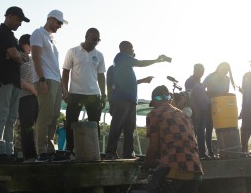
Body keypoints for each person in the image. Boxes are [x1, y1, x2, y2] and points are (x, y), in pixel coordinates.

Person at [140, 85, 203, 193]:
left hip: (173, 165)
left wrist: (144, 168)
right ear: (170, 99)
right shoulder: (184, 115)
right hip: (195, 167)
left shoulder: (154, 114)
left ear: (153, 101)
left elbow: (153, 147)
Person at [104, 41, 171, 159]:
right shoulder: (122, 56)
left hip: (129, 100)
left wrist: (143, 80)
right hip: (121, 100)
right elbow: (140, 63)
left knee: (129, 128)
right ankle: (110, 153)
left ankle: (128, 153)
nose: (133, 52)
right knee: (117, 127)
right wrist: (156, 60)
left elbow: (123, 84)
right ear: (125, 48)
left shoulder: (121, 66)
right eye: (132, 49)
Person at [0, 6, 29, 163]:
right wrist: (16, 56)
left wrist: (16, 55)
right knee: (2, 113)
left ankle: (8, 150)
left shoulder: (12, 37)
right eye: (19, 20)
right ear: (10, 16)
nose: (20, 24)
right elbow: (16, 56)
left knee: (11, 117)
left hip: (15, 81)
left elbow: (24, 57)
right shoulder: (0, 32)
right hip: (3, 79)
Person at [61, 28, 106, 157]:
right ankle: (70, 151)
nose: (95, 42)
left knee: (94, 123)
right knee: (71, 122)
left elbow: (101, 76)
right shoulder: (73, 51)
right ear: (86, 36)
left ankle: (94, 151)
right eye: (93, 39)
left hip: (93, 94)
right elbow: (65, 72)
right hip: (75, 93)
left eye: (98, 40)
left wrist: (103, 94)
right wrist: (65, 90)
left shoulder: (100, 55)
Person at [31, 10, 68, 162]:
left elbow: (55, 64)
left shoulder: (53, 38)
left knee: (53, 117)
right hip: (45, 80)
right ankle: (41, 151)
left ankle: (50, 149)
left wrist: (63, 86)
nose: (60, 26)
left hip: (56, 81)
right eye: (58, 22)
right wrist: (41, 79)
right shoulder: (38, 33)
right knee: (44, 116)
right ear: (51, 19)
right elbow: (35, 56)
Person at [203, 62, 236, 157]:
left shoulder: (227, 79)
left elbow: (226, 92)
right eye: (222, 69)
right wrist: (210, 95)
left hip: (222, 107)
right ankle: (210, 151)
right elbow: (201, 89)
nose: (224, 71)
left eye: (226, 70)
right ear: (218, 68)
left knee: (221, 127)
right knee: (208, 128)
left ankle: (224, 150)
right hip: (209, 105)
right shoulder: (210, 76)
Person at [17, 34, 38, 162]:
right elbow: (15, 77)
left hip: (34, 96)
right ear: (24, 43)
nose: (32, 48)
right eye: (30, 45)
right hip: (23, 96)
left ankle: (34, 154)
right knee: (26, 126)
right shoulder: (18, 56)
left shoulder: (31, 59)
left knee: (34, 127)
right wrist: (31, 88)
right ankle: (28, 155)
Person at [185, 63, 211, 160]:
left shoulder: (200, 82)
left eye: (203, 71)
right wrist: (195, 109)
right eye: (200, 70)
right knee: (193, 131)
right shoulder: (190, 81)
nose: (202, 73)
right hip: (196, 110)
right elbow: (190, 96)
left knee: (201, 132)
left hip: (204, 110)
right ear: (195, 70)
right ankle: (190, 152)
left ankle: (202, 153)